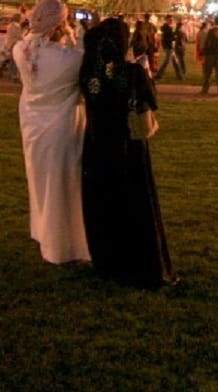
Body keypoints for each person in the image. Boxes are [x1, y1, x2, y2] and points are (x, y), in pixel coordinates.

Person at [77, 16, 175, 288]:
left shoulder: (88, 73)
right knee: (132, 202)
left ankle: (106, 260)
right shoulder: (131, 73)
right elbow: (150, 100)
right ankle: (137, 262)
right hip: (126, 147)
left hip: (97, 144)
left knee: (103, 201)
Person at [12, 0, 90, 265]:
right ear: (59, 25)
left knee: (41, 181)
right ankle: (63, 246)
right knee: (64, 185)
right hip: (61, 126)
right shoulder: (70, 59)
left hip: (32, 123)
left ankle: (45, 234)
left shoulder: (20, 50)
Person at [198, 21, 218, 95]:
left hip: (210, 54)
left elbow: (206, 42)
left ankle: (205, 89)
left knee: (207, 73)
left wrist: (203, 51)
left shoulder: (210, 31)